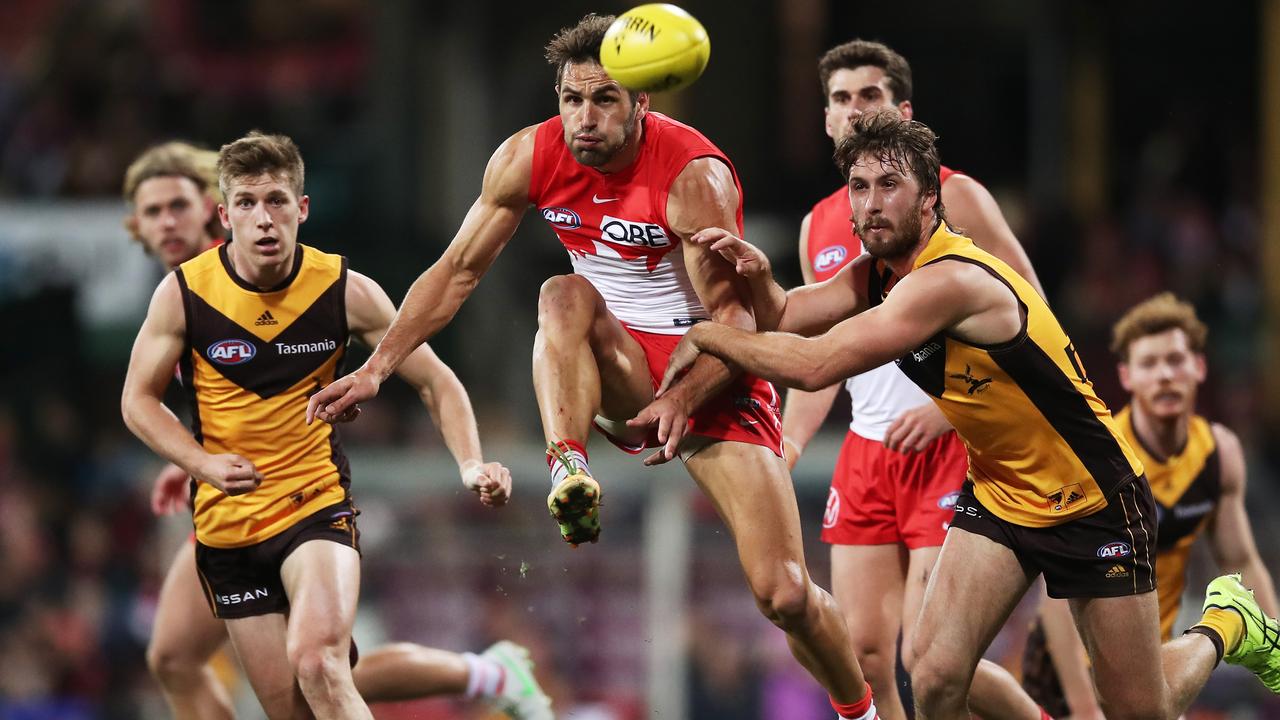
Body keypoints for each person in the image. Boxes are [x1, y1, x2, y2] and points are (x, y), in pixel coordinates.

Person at [307, 14, 878, 720]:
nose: (585, 117)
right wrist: (376, 369)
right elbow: (455, 272)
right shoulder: (529, 156)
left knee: (785, 594)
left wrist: (686, 396)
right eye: (572, 99)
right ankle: (567, 468)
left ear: (643, 102)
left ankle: (863, 711)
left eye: (604, 99)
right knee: (562, 294)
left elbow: (738, 323)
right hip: (620, 364)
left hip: (712, 366)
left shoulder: (693, 175)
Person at [656, 110, 1280, 720]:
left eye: (889, 186)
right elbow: (788, 317)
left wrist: (710, 336)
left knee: (1141, 709)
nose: (870, 204)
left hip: (1092, 499)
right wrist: (763, 282)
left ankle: (1228, 623)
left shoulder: (949, 279)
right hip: (1002, 494)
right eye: (859, 187)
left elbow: (817, 365)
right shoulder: (879, 274)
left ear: (930, 200)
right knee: (933, 674)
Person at [121, 132, 551, 719]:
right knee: (280, 697)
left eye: (276, 201)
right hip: (227, 522)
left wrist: (470, 462)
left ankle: (487, 672)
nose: (263, 219)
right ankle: (486, 671)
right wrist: (196, 462)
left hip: (312, 505)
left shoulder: (345, 291)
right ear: (225, 214)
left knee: (319, 661)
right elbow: (139, 401)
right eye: (247, 204)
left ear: (302, 208)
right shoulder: (182, 294)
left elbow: (436, 380)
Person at [785, 39, 1046, 720]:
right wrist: (783, 446)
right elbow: (824, 357)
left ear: (902, 109)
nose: (854, 110)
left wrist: (953, 407)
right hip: (868, 452)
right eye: (840, 99)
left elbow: (1032, 312)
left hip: (955, 444)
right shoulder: (820, 223)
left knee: (932, 658)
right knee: (866, 651)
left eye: (869, 96)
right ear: (825, 119)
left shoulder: (955, 195)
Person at [1020, 292, 1280, 718]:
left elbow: (1242, 561)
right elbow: (1055, 599)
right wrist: (1085, 708)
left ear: (1199, 368)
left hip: (1152, 661)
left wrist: (1276, 655)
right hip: (1068, 667)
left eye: (1175, 361)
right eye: (1149, 364)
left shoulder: (1218, 454)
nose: (1164, 376)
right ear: (1126, 377)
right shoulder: (1098, 456)